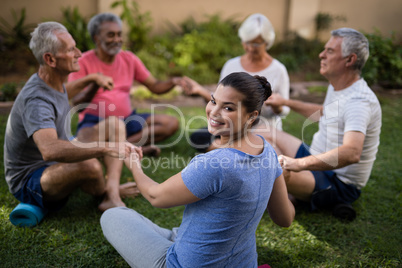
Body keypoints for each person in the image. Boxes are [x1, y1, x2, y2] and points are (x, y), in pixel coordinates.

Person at [101, 72, 295, 267]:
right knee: (178, 231)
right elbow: (285, 218)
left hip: (180, 264)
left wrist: (134, 165)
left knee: (114, 215)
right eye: (213, 101)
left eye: (228, 108)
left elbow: (156, 197)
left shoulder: (215, 163)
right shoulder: (268, 151)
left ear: (252, 116)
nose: (213, 112)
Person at [4, 22, 138, 213]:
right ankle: (107, 192)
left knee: (115, 125)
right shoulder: (36, 99)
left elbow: (65, 93)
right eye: (70, 49)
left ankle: (112, 193)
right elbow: (50, 150)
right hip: (31, 180)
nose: (79, 53)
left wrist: (93, 78)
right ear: (50, 59)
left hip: (55, 163)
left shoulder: (52, 81)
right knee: (90, 166)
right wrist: (108, 148)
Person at [265, 28, 382, 217]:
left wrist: (298, 164)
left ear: (349, 60)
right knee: (263, 132)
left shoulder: (359, 102)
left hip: (338, 182)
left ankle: (288, 196)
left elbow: (352, 152)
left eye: (329, 51)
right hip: (316, 157)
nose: (321, 55)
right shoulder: (338, 86)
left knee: (272, 166)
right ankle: (286, 189)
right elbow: (326, 113)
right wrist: (285, 102)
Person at [67, 13, 184, 156]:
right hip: (95, 122)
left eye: (119, 34)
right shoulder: (83, 61)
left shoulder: (129, 58)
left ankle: (120, 148)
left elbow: (154, 86)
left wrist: (173, 82)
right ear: (97, 38)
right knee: (84, 141)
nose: (117, 39)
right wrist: (95, 83)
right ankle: (126, 149)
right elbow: (77, 102)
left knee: (170, 123)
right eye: (111, 35)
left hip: (128, 120)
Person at [183, 13, 290, 151]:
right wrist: (199, 90)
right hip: (231, 126)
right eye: (247, 42)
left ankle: (239, 149)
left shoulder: (278, 69)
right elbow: (221, 100)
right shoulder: (231, 65)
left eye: (256, 43)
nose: (251, 48)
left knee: (257, 142)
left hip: (262, 127)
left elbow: (285, 110)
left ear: (267, 42)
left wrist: (277, 106)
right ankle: (237, 149)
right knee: (199, 138)